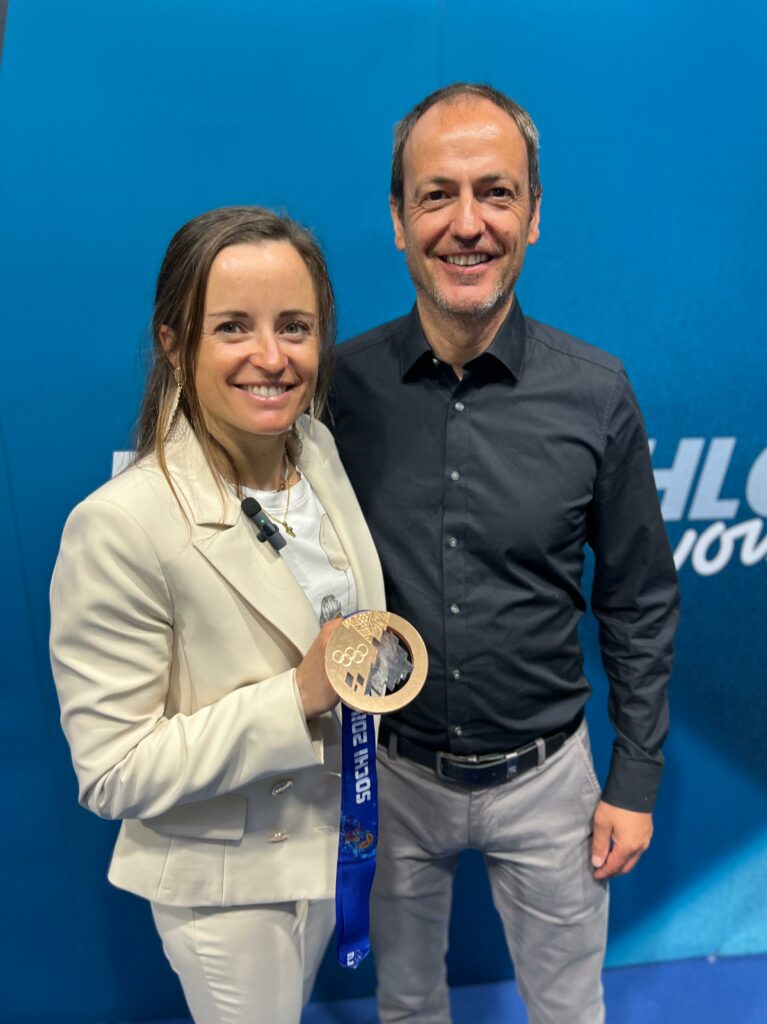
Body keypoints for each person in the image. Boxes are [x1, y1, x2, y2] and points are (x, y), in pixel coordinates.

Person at [325, 83, 680, 1024]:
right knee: (405, 1007)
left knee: (570, 1010)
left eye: (497, 192)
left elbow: (639, 599)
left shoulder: (598, 395)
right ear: (399, 221)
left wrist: (633, 779)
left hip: (550, 778)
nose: (468, 224)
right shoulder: (334, 392)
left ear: (533, 217)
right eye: (437, 194)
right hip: (386, 773)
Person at [49, 206, 385, 1024]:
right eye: (233, 327)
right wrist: (297, 696)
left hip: (330, 846)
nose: (271, 358)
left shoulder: (319, 449)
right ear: (173, 343)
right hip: (228, 892)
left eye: (295, 327)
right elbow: (112, 770)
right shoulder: (119, 525)